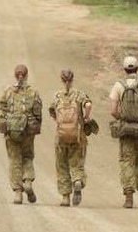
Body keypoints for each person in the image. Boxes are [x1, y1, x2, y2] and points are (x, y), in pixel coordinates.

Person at [108, 56, 138, 208]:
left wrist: (124, 118)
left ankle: (128, 197)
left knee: (126, 162)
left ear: (124, 69)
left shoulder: (118, 85)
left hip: (126, 131)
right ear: (137, 68)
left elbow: (113, 111)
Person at [0, 64, 43, 205]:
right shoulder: (33, 93)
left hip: (11, 132)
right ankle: (28, 182)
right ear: (26, 75)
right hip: (28, 132)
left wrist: (4, 125)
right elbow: (38, 113)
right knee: (27, 157)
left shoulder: (7, 92)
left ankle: (18, 193)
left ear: (15, 75)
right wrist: (35, 127)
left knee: (14, 160)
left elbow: (2, 110)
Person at [49, 69, 93, 207]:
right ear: (73, 80)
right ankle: (78, 180)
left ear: (61, 80)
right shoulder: (79, 95)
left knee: (62, 166)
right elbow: (88, 105)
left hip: (61, 137)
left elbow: (52, 111)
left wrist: (59, 122)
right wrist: (86, 117)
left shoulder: (57, 96)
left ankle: (65, 198)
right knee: (77, 163)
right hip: (77, 136)